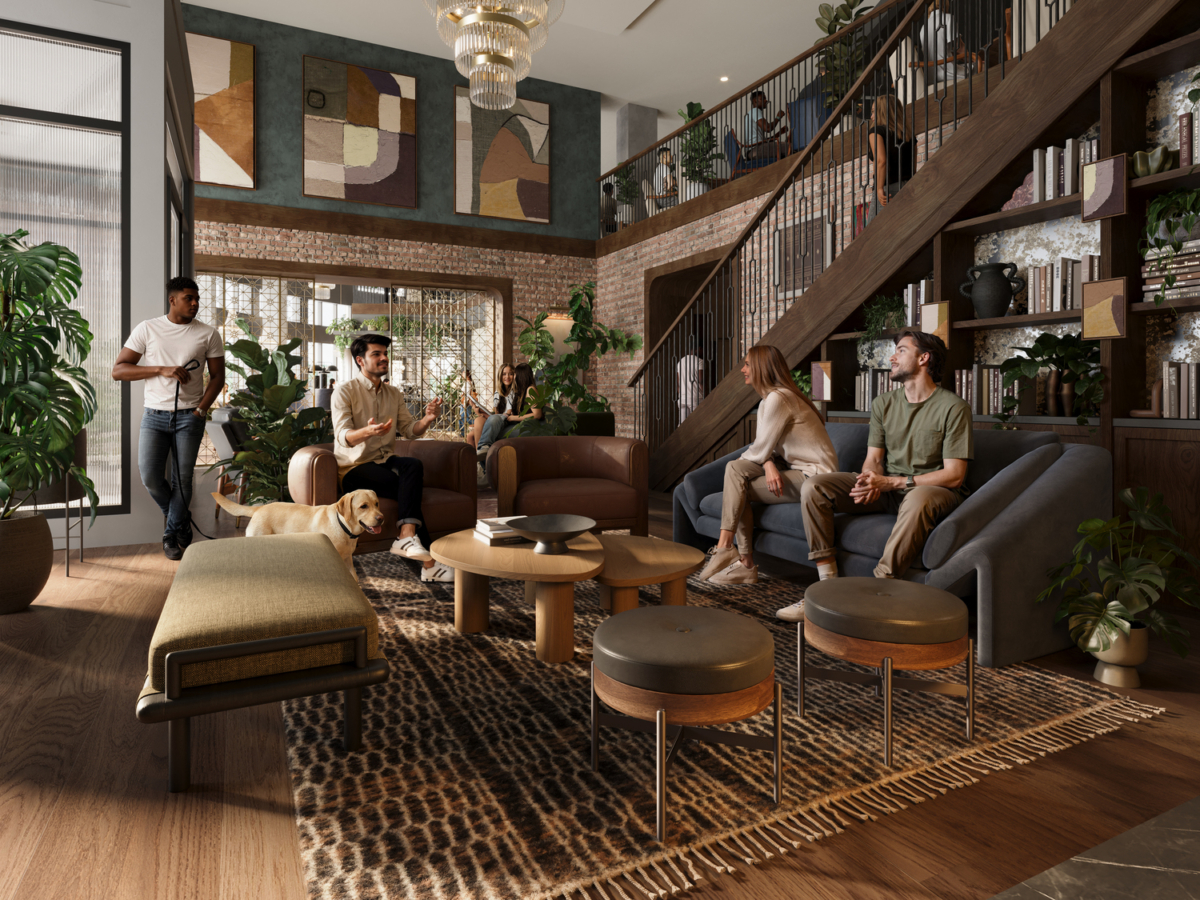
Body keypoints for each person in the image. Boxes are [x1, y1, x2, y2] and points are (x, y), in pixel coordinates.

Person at [787, 330, 971, 609]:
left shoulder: (953, 407)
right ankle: (827, 587)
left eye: (900, 350)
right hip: (889, 489)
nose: (892, 357)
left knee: (918, 497)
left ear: (924, 358)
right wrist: (868, 481)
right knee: (815, 486)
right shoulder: (883, 404)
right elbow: (874, 458)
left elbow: (955, 475)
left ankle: (875, 594)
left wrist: (891, 483)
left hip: (932, 491)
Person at [697, 345, 837, 587]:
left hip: (816, 477)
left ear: (762, 368)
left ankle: (733, 554)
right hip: (794, 469)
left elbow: (758, 449)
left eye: (748, 364)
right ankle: (737, 559)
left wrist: (764, 459)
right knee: (735, 470)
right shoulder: (770, 400)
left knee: (737, 485)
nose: (743, 369)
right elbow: (765, 448)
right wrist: (769, 464)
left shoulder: (778, 398)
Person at [112, 276, 226, 561]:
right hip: (154, 416)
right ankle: (180, 519)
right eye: (189, 298)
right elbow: (119, 370)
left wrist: (201, 409)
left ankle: (170, 534)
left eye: (197, 298)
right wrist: (159, 369)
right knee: (150, 476)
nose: (195, 303)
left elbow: (218, 377)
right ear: (172, 299)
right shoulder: (148, 329)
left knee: (182, 479)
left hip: (190, 416)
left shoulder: (208, 334)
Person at [331, 333, 453, 583]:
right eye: (376, 354)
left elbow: (411, 430)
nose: (384, 358)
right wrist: (368, 431)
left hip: (384, 461)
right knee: (407, 490)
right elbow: (343, 436)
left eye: (385, 353)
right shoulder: (344, 392)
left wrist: (428, 419)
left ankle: (407, 536)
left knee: (412, 465)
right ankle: (428, 563)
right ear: (360, 360)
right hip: (354, 467)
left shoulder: (394, 394)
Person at [865, 93, 915, 224]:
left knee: (873, 235)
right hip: (907, 188)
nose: (871, 117)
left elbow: (881, 161)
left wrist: (880, 188)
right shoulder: (908, 135)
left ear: (883, 112)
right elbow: (913, 167)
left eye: (874, 112)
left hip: (887, 190)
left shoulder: (876, 131)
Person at [468, 362, 515, 449]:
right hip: (498, 419)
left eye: (510, 374)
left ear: (514, 376)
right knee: (471, 433)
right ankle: (477, 458)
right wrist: (480, 411)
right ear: (500, 376)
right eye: (504, 374)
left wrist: (486, 415)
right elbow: (496, 413)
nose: (507, 377)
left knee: (477, 426)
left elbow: (507, 414)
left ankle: (480, 456)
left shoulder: (514, 392)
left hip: (507, 420)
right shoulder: (498, 392)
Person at [742, 90, 788, 160]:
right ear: (755, 101)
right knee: (790, 146)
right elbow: (768, 128)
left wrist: (779, 133)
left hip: (752, 152)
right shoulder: (755, 111)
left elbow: (764, 141)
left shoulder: (751, 114)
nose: (766, 100)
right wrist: (778, 117)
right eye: (762, 98)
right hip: (756, 150)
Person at [676, 337, 705, 424]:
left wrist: (681, 395)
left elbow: (678, 384)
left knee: (683, 426)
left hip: (682, 398)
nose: (703, 351)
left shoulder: (681, 361)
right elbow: (701, 381)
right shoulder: (699, 361)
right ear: (699, 348)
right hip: (695, 398)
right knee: (697, 424)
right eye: (702, 349)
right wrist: (706, 397)